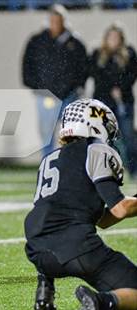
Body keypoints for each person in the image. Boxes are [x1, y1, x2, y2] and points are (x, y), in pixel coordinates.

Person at [24, 98, 137, 310]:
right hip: (78, 248)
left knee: (50, 225)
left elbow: (102, 220)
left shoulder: (50, 159)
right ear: (94, 124)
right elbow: (120, 208)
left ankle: (44, 295)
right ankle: (101, 302)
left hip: (37, 253)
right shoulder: (95, 150)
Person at [22, 4, 87, 157]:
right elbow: (27, 66)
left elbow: (83, 68)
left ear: (64, 21)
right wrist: (38, 87)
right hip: (46, 96)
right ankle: (48, 164)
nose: (56, 24)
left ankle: (69, 164)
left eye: (59, 20)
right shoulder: (37, 41)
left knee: (70, 134)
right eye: (53, 20)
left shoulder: (75, 43)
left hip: (69, 95)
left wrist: (77, 88)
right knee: (47, 135)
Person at [89, 24, 137, 178]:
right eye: (111, 37)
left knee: (128, 137)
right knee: (103, 137)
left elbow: (132, 74)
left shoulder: (129, 53)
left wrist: (120, 89)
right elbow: (95, 74)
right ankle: (106, 171)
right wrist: (111, 88)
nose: (114, 40)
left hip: (124, 101)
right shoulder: (97, 54)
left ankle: (133, 170)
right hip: (103, 102)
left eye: (116, 37)